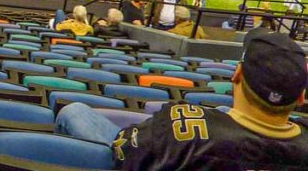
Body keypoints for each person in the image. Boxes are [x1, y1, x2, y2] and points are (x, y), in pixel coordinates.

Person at [55, 28, 308, 170]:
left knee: (74, 110)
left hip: (163, 149)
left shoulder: (183, 123)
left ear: (237, 75)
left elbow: (125, 149)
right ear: (301, 96)